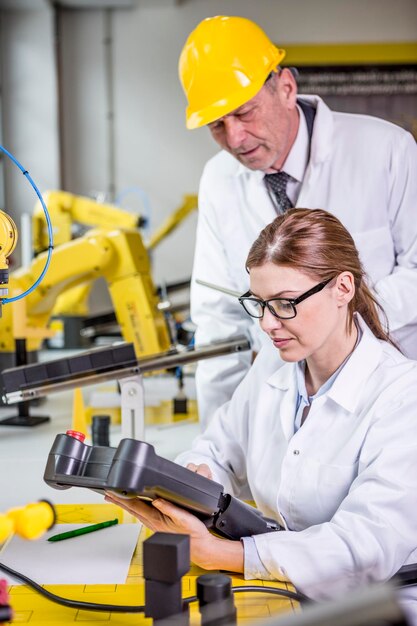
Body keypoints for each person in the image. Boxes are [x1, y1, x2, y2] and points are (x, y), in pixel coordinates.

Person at [105, 209, 417, 619]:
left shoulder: (401, 396)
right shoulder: (274, 367)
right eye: (260, 304)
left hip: (377, 604)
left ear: (343, 288)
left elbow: (360, 547)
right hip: (282, 584)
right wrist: (190, 487)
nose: (268, 324)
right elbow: (216, 450)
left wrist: (229, 554)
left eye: (285, 304)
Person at [178, 15, 417, 427]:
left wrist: (333, 323)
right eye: (217, 125)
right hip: (281, 405)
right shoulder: (219, 179)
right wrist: (216, 447)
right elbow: (218, 319)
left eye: (245, 113)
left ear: (286, 88)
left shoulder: (386, 150)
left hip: (386, 399)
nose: (234, 138)